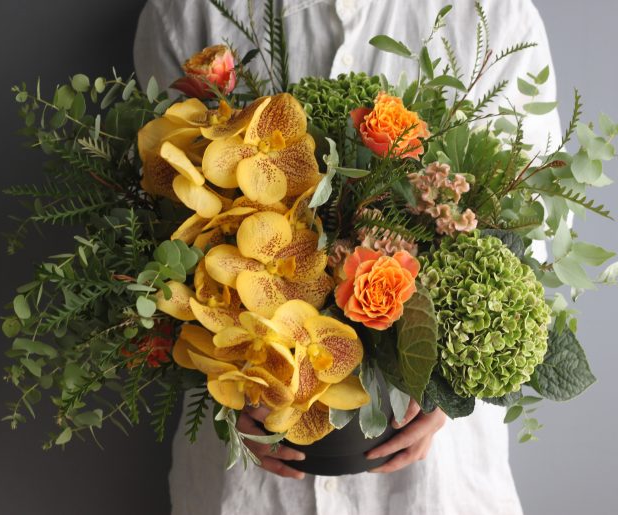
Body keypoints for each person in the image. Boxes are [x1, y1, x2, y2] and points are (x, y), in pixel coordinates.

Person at [133, 1, 561, 514]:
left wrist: (452, 392)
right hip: (248, 476)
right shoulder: (190, 11)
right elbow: (149, 224)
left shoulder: (495, 16)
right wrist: (234, 383)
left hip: (432, 484)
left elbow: (532, 228)